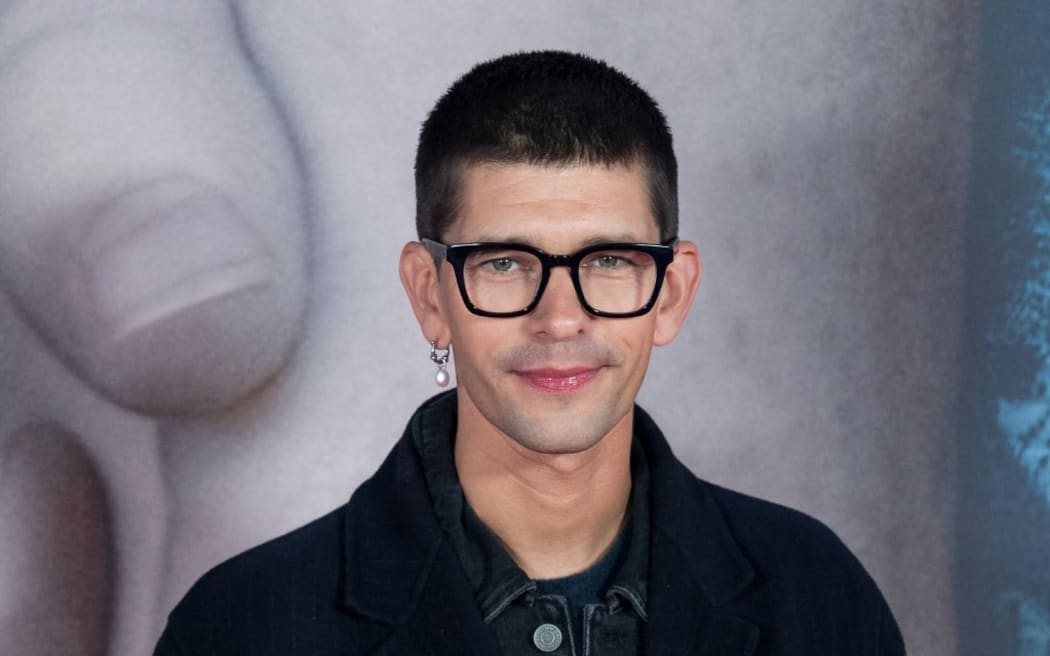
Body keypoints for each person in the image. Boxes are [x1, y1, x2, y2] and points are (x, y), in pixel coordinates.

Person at [154, 50, 905, 655]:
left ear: (671, 294)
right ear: (430, 296)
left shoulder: (815, 596)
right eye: (505, 264)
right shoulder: (245, 626)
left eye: (609, 260)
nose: (560, 318)